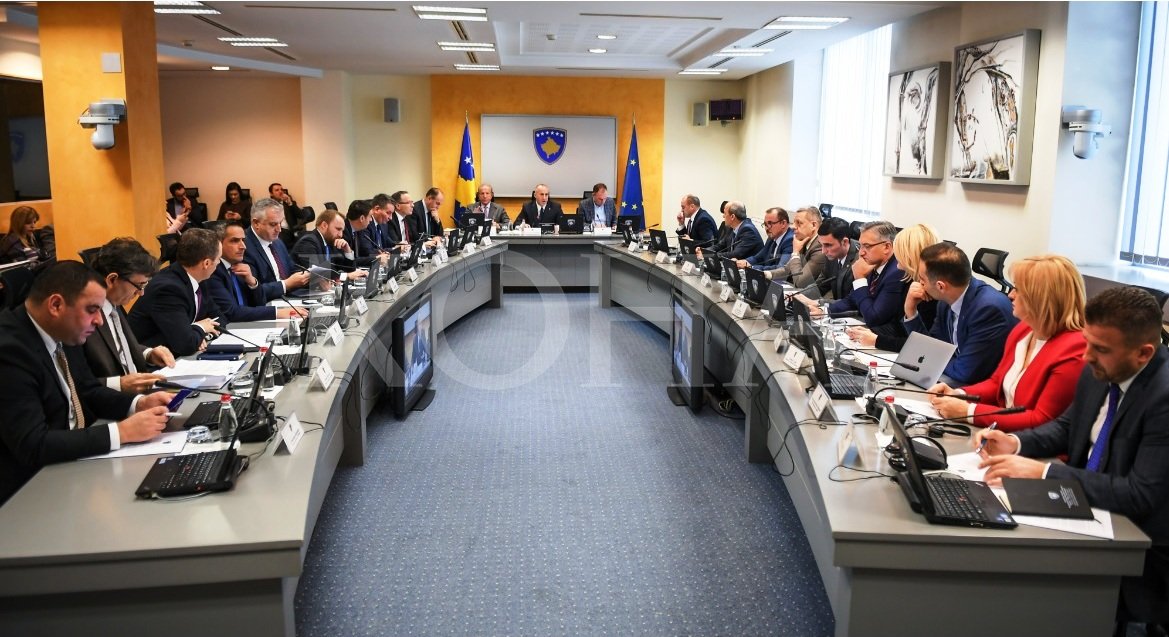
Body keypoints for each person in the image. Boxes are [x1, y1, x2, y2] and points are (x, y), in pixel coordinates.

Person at [976, 286, 1169, 631]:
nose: (1086, 356)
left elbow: (1140, 494)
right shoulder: (1103, 367)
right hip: (1082, 509)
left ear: (1144, 353)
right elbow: (1068, 427)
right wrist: (1014, 443)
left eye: (1100, 349)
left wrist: (1044, 473)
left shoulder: (1163, 397)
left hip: (1140, 546)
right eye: (1088, 343)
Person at [0, 261, 173, 506]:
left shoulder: (63, 330)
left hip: (71, 464)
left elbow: (87, 390)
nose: (100, 321)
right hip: (27, 492)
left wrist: (138, 404)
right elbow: (32, 444)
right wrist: (122, 432)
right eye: (92, 310)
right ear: (56, 305)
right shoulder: (9, 351)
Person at [929, 254, 1087, 431]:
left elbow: (1043, 420)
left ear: (1040, 298)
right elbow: (996, 383)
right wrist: (959, 394)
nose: (1011, 295)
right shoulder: (1024, 330)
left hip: (1026, 442)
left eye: (1018, 289)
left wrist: (968, 411)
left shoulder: (1074, 349)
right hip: (1000, 433)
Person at [903, 243, 1016, 385]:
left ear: (940, 286)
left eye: (922, 279)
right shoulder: (946, 301)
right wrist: (910, 311)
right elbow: (930, 348)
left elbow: (965, 372)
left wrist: (932, 360)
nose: (919, 284)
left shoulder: (988, 309)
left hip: (979, 387)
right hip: (956, 379)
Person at [82, 238, 176, 393]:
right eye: (139, 285)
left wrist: (148, 353)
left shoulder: (115, 303)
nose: (141, 293)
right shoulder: (84, 320)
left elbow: (117, 346)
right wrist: (119, 384)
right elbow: (76, 383)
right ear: (112, 279)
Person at [127, 228, 223, 357]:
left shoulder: (199, 279)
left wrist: (202, 335)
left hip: (178, 355)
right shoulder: (168, 289)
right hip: (152, 361)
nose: (219, 263)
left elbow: (220, 319)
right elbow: (185, 344)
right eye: (218, 259)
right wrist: (200, 328)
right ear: (206, 263)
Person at [843, 222, 937, 349]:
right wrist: (870, 333)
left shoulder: (933, 294)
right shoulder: (911, 280)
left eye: (900, 256)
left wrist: (877, 340)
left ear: (911, 256)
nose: (897, 265)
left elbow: (925, 346)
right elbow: (898, 326)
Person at [203, 222, 303, 323]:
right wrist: (277, 313)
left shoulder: (240, 266)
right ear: (218, 244)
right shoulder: (212, 271)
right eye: (235, 241)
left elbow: (260, 303)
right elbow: (231, 313)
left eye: (243, 240)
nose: (243, 246)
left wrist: (252, 283)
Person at [822, 220, 905, 339]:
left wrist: (860, 279)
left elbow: (873, 318)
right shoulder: (873, 263)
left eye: (867, 246)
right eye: (860, 246)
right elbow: (851, 300)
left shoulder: (896, 273)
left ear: (887, 247)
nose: (861, 253)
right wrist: (824, 310)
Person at [241, 198, 312, 300]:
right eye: (273, 224)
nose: (279, 229)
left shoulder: (277, 242)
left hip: (290, 299)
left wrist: (312, 278)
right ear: (256, 223)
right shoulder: (243, 246)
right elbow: (253, 291)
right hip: (267, 304)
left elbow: (292, 270)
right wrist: (286, 284)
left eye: (280, 223)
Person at [767, 206, 826, 288]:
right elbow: (787, 270)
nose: (793, 226)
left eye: (799, 223)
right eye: (794, 222)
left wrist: (795, 253)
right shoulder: (804, 240)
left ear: (813, 225)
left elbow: (800, 282)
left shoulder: (821, 247)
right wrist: (766, 274)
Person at [291, 208, 358, 272]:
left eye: (342, 231)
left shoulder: (330, 242)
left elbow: (348, 270)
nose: (341, 235)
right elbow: (316, 274)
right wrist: (345, 276)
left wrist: (347, 251)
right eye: (338, 229)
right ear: (324, 225)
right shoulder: (308, 242)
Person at [696, 201, 763, 261]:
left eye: (725, 213)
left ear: (732, 217)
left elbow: (735, 254)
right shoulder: (731, 227)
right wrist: (704, 251)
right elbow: (720, 246)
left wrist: (708, 256)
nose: (723, 216)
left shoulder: (748, 230)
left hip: (750, 268)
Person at [734, 207, 793, 271]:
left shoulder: (789, 240)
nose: (767, 228)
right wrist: (744, 262)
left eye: (770, 223)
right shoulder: (772, 237)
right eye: (765, 224)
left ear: (783, 223)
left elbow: (781, 268)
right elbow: (759, 257)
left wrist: (752, 267)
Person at [814, 217, 859, 300]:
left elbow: (852, 302)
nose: (823, 251)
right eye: (821, 245)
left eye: (828, 245)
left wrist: (822, 303)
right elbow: (820, 285)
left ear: (844, 242)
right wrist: (798, 296)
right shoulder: (832, 255)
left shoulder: (859, 261)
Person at [344, 199, 389, 268]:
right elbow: (349, 261)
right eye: (370, 216)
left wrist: (378, 254)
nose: (371, 220)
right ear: (362, 218)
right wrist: (376, 259)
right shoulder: (343, 231)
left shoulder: (357, 229)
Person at [269, 182, 311, 247]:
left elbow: (301, 215)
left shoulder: (289, 203)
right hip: (277, 231)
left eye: (281, 189)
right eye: (277, 190)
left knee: (309, 238)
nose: (280, 191)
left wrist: (290, 202)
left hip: (290, 231)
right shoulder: (268, 206)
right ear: (271, 193)